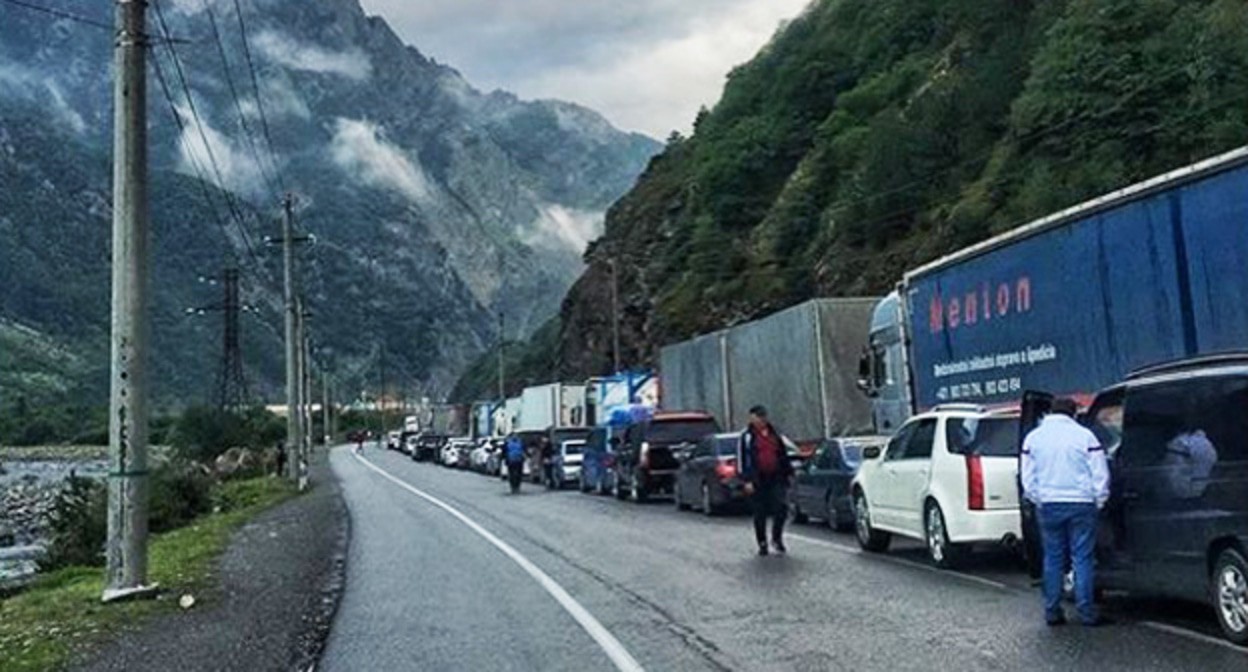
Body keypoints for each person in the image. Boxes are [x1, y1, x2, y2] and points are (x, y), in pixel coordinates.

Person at [1021, 397, 1111, 626]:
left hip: (1049, 504)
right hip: (1081, 503)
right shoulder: (1085, 436)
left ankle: (1052, 610)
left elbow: (1028, 478)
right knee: (1082, 558)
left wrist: (1038, 498)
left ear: (1051, 412)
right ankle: (1086, 612)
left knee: (1053, 557)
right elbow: (1099, 472)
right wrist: (1099, 499)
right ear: (1074, 413)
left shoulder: (1033, 438)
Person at [738, 405, 795, 556]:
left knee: (781, 508)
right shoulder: (747, 436)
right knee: (760, 512)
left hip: (776, 476)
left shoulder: (775, 434)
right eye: (756, 417)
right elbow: (743, 459)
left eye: (762, 417)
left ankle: (777, 538)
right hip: (757, 478)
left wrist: (788, 472)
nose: (760, 420)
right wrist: (746, 480)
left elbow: (783, 454)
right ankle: (762, 542)